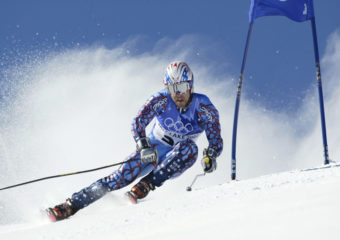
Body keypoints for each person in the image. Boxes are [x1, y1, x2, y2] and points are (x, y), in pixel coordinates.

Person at [46, 61, 223, 221]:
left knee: (190, 148)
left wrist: (211, 155)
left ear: (190, 86)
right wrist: (143, 144)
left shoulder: (203, 107)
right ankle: (71, 205)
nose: (177, 94)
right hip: (155, 148)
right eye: (172, 88)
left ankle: (146, 185)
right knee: (120, 177)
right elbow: (138, 121)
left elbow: (215, 138)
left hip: (179, 156)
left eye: (182, 87)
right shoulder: (161, 99)